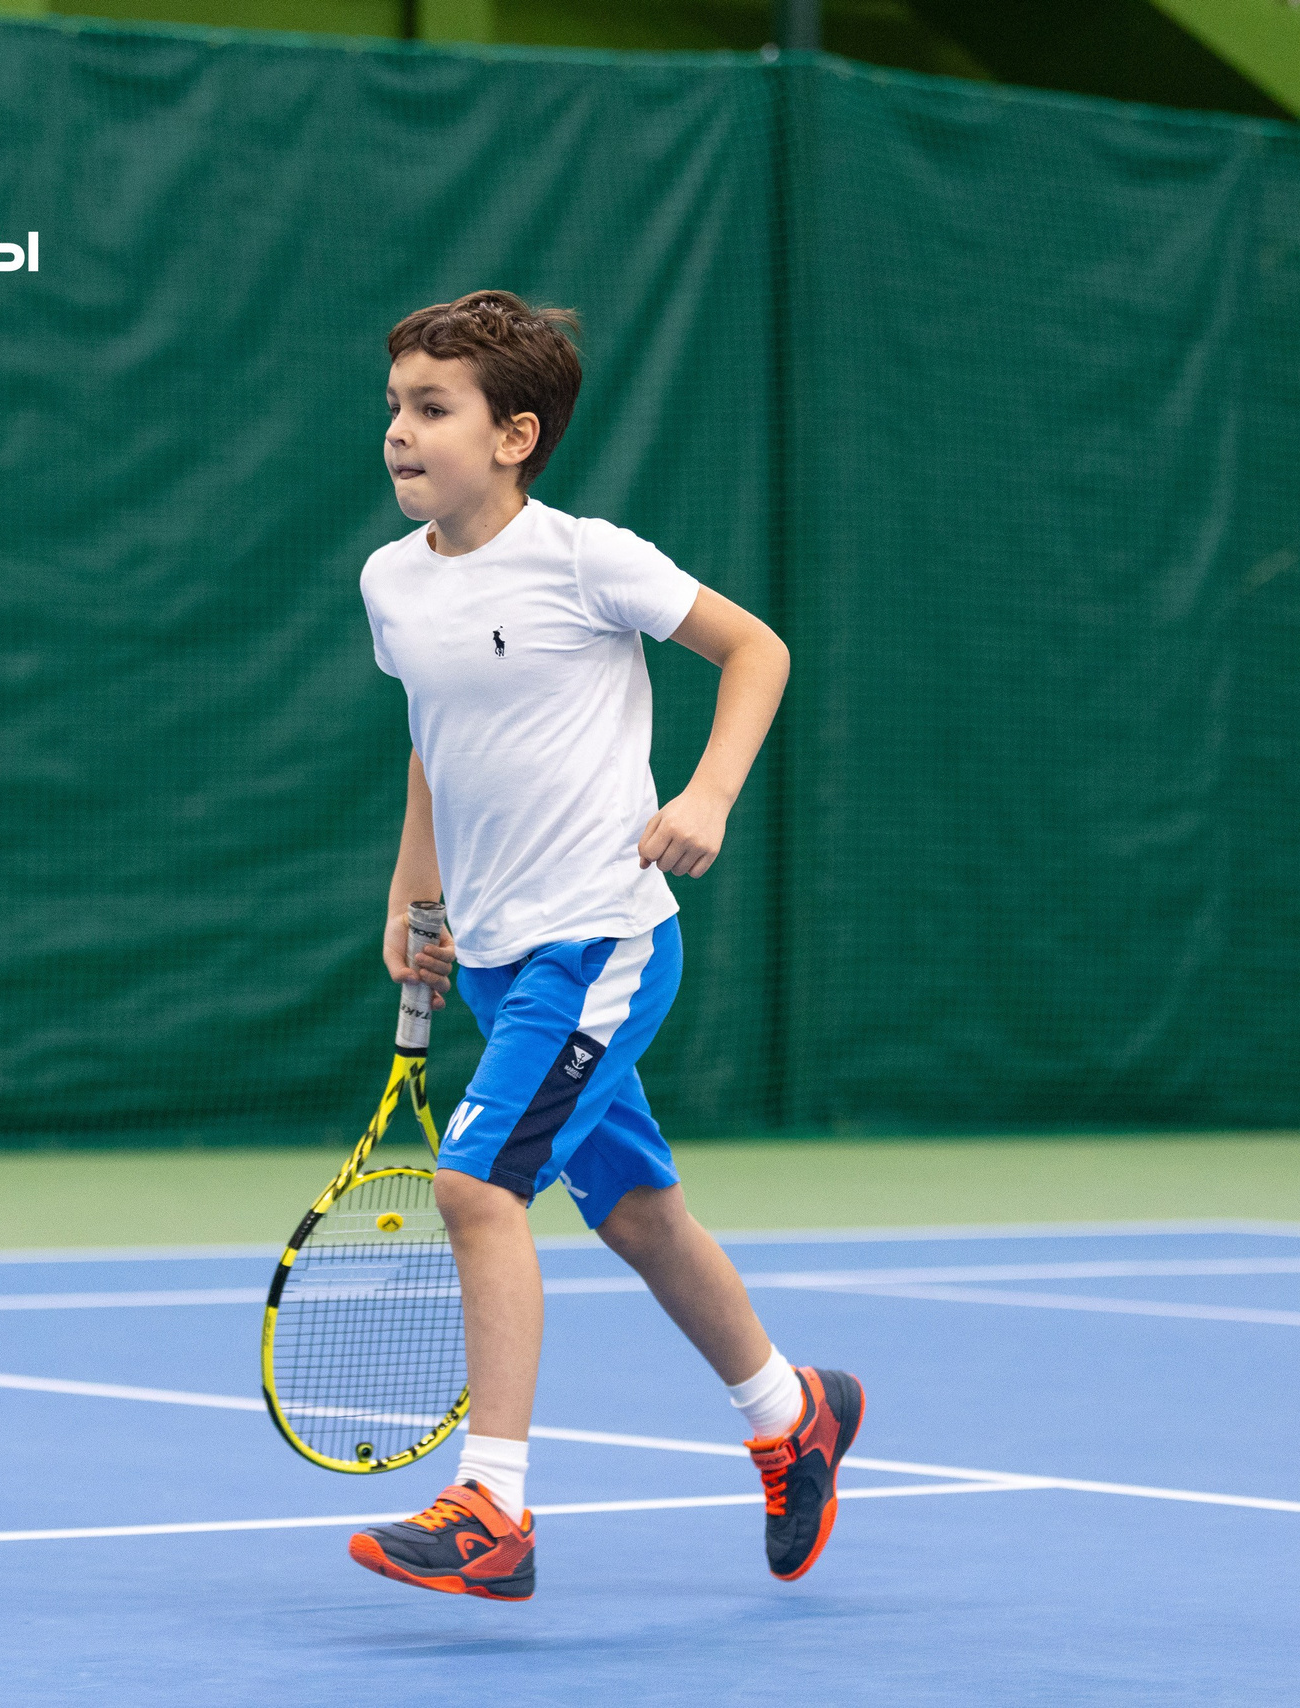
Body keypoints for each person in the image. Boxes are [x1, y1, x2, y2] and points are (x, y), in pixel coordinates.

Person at [345, 290, 862, 1603]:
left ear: (516, 434)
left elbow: (755, 650)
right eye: (396, 405)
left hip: (602, 940)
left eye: (432, 409)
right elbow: (433, 738)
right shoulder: (393, 583)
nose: (400, 432)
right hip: (506, 950)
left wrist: (706, 797)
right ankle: (789, 1409)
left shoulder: (589, 559)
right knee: (638, 1215)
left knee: (475, 1189)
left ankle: (494, 1511)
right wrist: (420, 892)